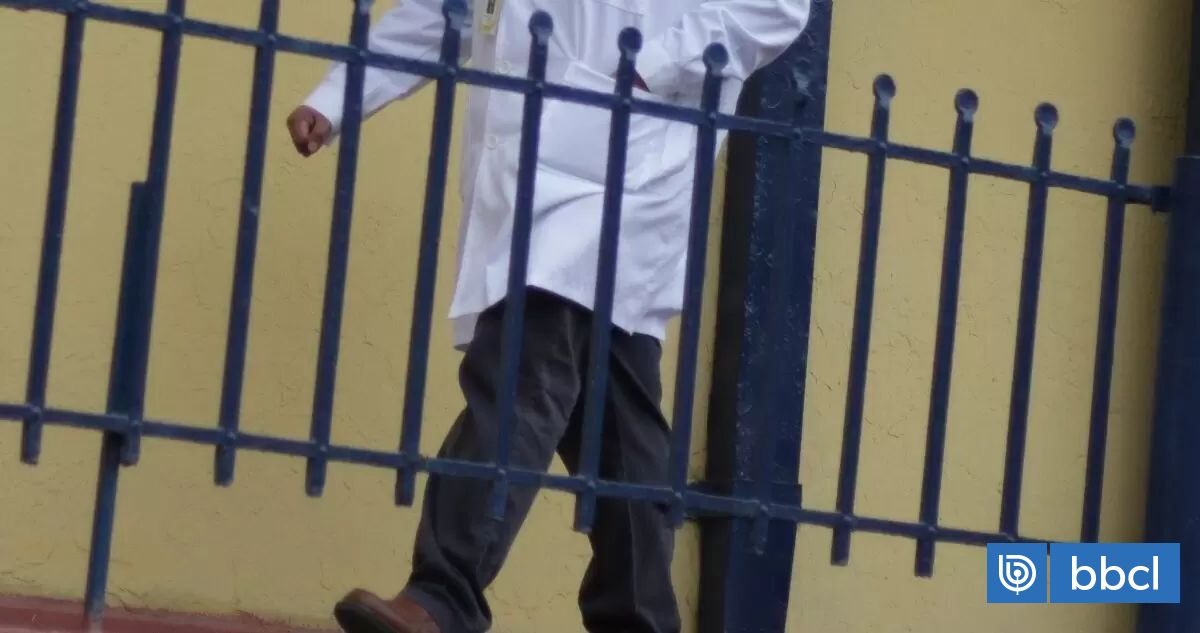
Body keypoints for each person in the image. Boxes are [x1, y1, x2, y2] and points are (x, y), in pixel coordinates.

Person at [287, 1, 809, 632]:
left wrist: (651, 65)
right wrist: (339, 96)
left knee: (522, 368)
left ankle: (442, 596)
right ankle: (640, 621)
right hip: (534, 174)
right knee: (619, 429)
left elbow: (777, 7)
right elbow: (441, 12)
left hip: (626, 167)